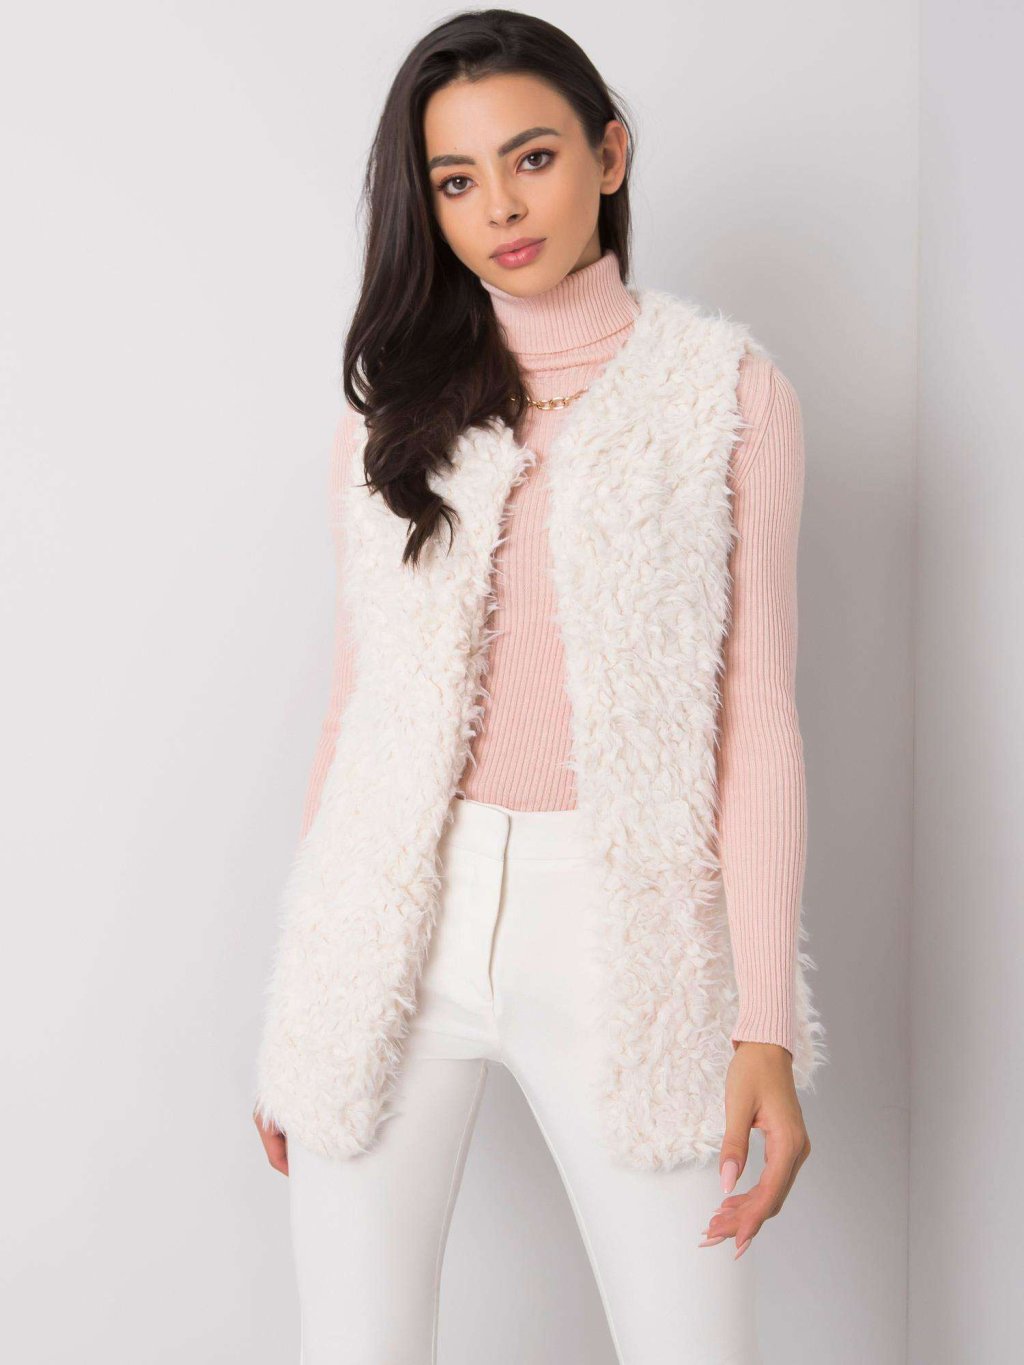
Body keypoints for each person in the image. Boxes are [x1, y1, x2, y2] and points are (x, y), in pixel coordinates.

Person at [252, 9, 827, 1362]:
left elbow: (757, 721)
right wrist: (300, 994)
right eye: (456, 180)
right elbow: (357, 709)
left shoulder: (727, 395)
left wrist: (764, 1021)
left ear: (609, 155)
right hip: (392, 922)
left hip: (625, 927)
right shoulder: (392, 414)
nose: (501, 208)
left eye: (533, 158)